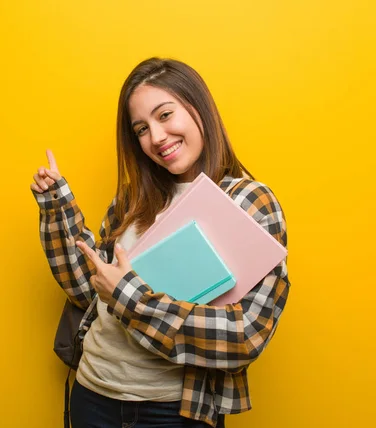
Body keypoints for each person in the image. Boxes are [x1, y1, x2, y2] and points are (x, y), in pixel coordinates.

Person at [30, 58, 289, 428]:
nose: (156, 137)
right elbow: (88, 290)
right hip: (91, 392)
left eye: (165, 115)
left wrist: (128, 297)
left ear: (198, 108)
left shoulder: (249, 203)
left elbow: (244, 335)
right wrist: (57, 205)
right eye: (141, 129)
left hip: (171, 411)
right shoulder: (132, 200)